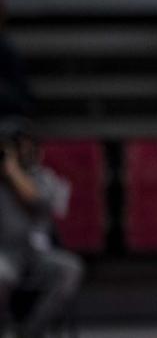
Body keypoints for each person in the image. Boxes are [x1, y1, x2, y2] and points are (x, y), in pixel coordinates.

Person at [0, 118, 84, 338]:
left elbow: (40, 203)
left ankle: (29, 332)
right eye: (19, 144)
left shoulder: (39, 176)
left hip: (32, 253)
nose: (26, 149)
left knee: (69, 269)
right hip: (4, 255)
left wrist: (12, 171)